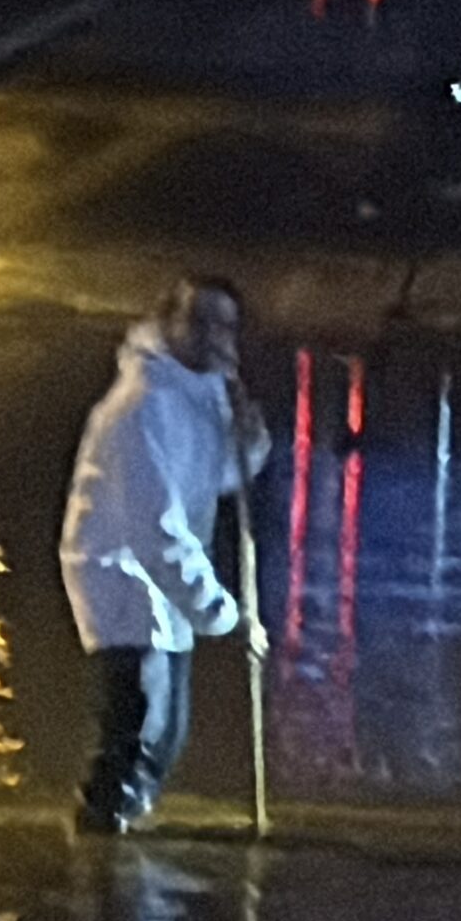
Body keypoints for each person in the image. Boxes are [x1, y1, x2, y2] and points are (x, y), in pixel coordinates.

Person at [60, 277, 272, 835]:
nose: (212, 338)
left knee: (167, 733)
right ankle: (103, 855)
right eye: (198, 322)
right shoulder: (144, 405)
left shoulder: (202, 395)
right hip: (123, 575)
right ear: (169, 324)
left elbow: (218, 480)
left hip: (161, 582)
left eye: (224, 325)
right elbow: (157, 529)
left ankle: (116, 846)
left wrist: (248, 443)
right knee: (140, 731)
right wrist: (222, 613)